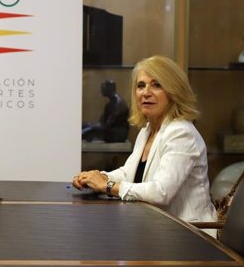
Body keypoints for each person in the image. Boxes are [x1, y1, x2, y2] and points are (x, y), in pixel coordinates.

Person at [72, 55, 217, 230]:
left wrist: (107, 185)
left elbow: (161, 192)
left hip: (189, 234)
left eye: (156, 85)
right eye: (141, 86)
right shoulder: (147, 130)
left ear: (173, 92)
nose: (146, 92)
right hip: (155, 229)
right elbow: (128, 173)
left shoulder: (181, 132)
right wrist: (97, 178)